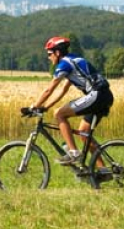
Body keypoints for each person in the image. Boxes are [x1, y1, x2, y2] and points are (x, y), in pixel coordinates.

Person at [28, 36, 113, 165]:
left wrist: (34, 106)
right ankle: (103, 170)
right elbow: (63, 90)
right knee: (84, 133)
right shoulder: (73, 60)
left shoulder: (64, 64)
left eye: (50, 53)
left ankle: (73, 153)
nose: (48, 57)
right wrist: (45, 107)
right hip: (104, 95)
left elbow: (49, 90)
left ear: (57, 52)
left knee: (59, 114)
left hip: (97, 94)